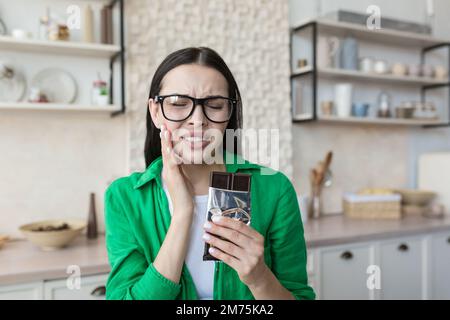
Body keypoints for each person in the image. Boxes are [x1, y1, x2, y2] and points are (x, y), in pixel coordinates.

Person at [104, 47, 315, 300]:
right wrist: (183, 213)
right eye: (179, 104)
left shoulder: (275, 189)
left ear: (229, 114)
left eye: (214, 105)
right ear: (156, 111)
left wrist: (260, 278)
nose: (198, 120)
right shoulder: (124, 198)